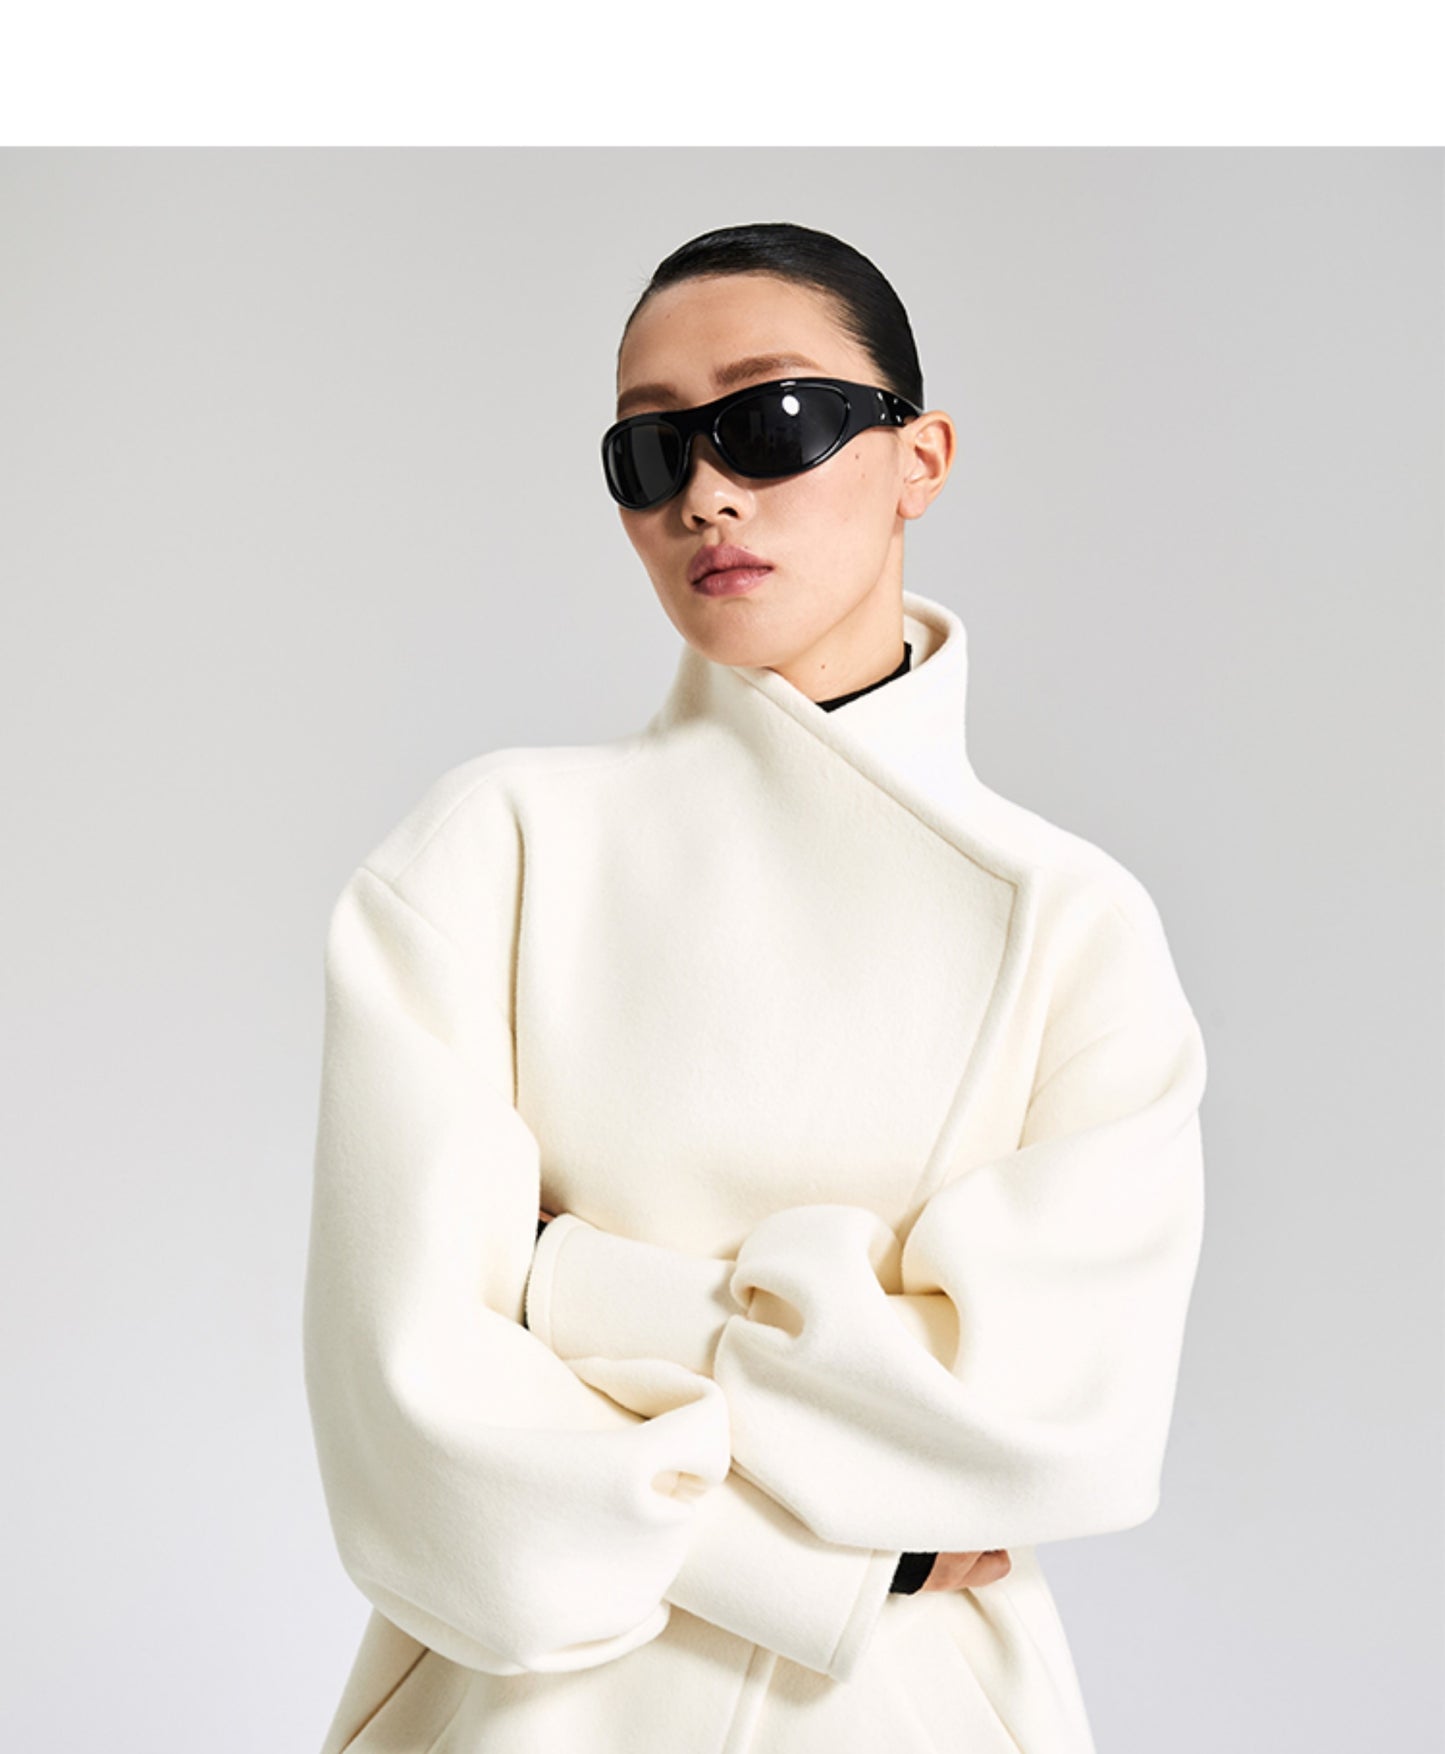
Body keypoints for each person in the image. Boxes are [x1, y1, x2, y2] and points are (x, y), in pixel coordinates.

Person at [303, 221, 1208, 1754]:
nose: (705, 492)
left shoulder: (1072, 921)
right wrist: (842, 1561)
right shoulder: (495, 849)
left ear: (919, 458)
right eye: (650, 449)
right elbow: (405, 1420)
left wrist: (566, 1285)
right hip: (533, 1712)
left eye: (770, 418)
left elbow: (1051, 1422)